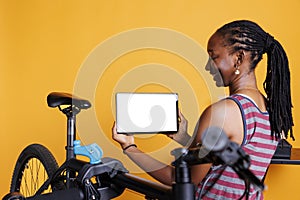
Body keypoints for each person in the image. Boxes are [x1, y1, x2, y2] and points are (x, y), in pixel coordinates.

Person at [112, 20, 294, 199]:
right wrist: (185, 138)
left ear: (239, 58)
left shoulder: (224, 112)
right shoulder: (270, 109)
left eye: (213, 57)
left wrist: (129, 146)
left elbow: (182, 179)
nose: (208, 67)